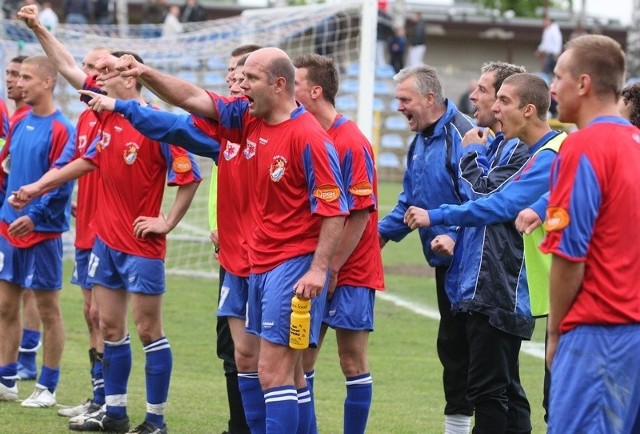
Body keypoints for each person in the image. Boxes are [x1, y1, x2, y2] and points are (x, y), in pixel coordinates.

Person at [95, 46, 348, 434]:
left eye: (249, 78)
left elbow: (335, 209)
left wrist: (318, 268)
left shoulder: (310, 138)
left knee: (274, 371)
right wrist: (144, 73)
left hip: (288, 263)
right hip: (243, 262)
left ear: (280, 85)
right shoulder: (242, 117)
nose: (238, 84)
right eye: (238, 76)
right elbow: (191, 99)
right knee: (246, 359)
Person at [18, 8, 203, 433]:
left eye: (112, 70)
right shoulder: (104, 114)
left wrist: (167, 222)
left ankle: (155, 419)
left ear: (132, 77)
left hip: (142, 245)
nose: (100, 77)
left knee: (147, 329)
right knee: (110, 326)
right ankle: (114, 413)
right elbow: (65, 67)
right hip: (105, 241)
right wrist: (39, 27)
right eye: (100, 71)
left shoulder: (158, 122)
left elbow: (189, 176)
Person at [404, 72, 567, 434]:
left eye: (499, 98)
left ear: (528, 109)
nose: (488, 104)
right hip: (489, 281)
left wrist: (441, 211)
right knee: (502, 390)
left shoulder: (548, 153)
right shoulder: (509, 144)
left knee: (495, 393)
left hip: (506, 283)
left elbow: (490, 203)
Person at [538, 34, 640, 434]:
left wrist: (555, 333)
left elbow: (568, 256)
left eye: (558, 75)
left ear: (582, 84)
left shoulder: (583, 148)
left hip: (600, 335)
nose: (552, 86)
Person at [377, 65, 475, 434]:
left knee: (478, 352)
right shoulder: (419, 140)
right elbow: (410, 200)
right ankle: (457, 428)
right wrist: (380, 235)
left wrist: (456, 235)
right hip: (444, 262)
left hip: (474, 263)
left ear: (429, 98)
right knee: (452, 346)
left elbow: (483, 197)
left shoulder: (462, 134)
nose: (399, 107)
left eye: (405, 99)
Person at [294, 53, 384, 434]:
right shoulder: (305, 134)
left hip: (352, 269)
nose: (288, 89)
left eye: (294, 84)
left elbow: (360, 213)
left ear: (315, 91)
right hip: (318, 265)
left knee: (351, 361)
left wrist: (331, 265)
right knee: (302, 360)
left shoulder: (351, 141)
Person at [0, 55, 75, 408]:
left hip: (42, 232)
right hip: (7, 228)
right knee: (4, 305)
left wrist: (36, 215)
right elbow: (7, 169)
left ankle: (47, 387)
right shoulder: (18, 122)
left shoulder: (63, 128)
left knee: (47, 309)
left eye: (26, 77)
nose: (18, 82)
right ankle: (6, 380)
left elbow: (61, 184)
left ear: (47, 83)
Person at [5, 54, 44, 382]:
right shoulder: (15, 118)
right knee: (9, 291)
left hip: (31, 218)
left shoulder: (26, 118)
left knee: (30, 289)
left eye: (19, 75)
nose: (13, 81)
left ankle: (29, 358)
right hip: (7, 214)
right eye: (9, 74)